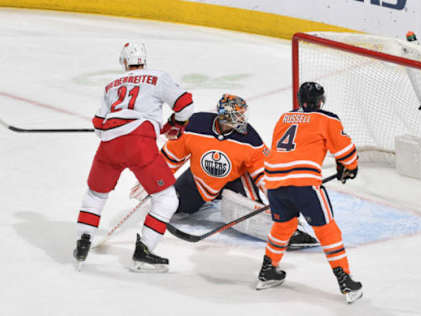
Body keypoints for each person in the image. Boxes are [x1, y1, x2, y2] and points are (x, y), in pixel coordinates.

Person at [131, 94, 318, 248]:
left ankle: (288, 230)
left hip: (236, 180)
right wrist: (153, 179)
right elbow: (172, 156)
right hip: (200, 181)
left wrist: (277, 195)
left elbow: (265, 172)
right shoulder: (195, 125)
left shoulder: (250, 139)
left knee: (251, 210)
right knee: (172, 206)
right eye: (238, 117)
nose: (242, 121)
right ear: (224, 117)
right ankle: (210, 198)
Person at [73, 41, 194, 272]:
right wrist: (173, 125)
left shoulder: (111, 85)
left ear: (124, 62)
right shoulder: (158, 77)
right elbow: (186, 107)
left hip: (109, 145)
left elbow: (99, 126)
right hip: (139, 143)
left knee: (96, 194)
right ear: (144, 61)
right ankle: (144, 251)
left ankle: (83, 241)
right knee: (167, 199)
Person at [255, 82, 363, 304]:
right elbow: (345, 151)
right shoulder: (327, 118)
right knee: (327, 231)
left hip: (273, 181)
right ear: (321, 101)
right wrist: (350, 167)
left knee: (283, 226)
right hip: (304, 183)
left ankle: (268, 271)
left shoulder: (284, 117)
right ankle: (345, 280)